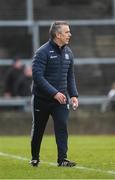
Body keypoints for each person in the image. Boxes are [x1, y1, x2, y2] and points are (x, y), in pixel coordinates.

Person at [30, 21, 79, 167]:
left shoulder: (69, 52)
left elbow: (70, 76)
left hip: (61, 100)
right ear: (58, 35)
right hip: (42, 99)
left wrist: (74, 95)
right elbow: (37, 77)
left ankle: (62, 159)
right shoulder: (42, 52)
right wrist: (54, 93)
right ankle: (35, 157)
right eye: (66, 32)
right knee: (39, 129)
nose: (69, 34)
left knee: (62, 126)